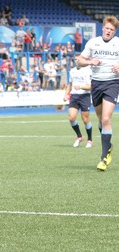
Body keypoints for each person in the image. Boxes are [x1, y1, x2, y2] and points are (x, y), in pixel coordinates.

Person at [76, 15, 119, 171]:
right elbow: (79, 61)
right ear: (102, 28)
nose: (108, 31)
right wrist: (90, 62)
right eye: (107, 28)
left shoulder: (118, 43)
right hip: (96, 84)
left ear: (115, 31)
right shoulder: (93, 43)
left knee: (107, 118)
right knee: (101, 121)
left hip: (113, 83)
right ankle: (108, 144)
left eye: (112, 30)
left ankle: (104, 157)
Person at [63, 64, 93, 148]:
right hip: (74, 96)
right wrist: (66, 94)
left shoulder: (88, 70)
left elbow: (90, 86)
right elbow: (70, 84)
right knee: (71, 118)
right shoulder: (72, 71)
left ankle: (90, 140)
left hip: (84, 96)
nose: (78, 61)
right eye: (76, 59)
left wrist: (80, 86)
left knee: (85, 119)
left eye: (79, 59)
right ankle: (80, 136)